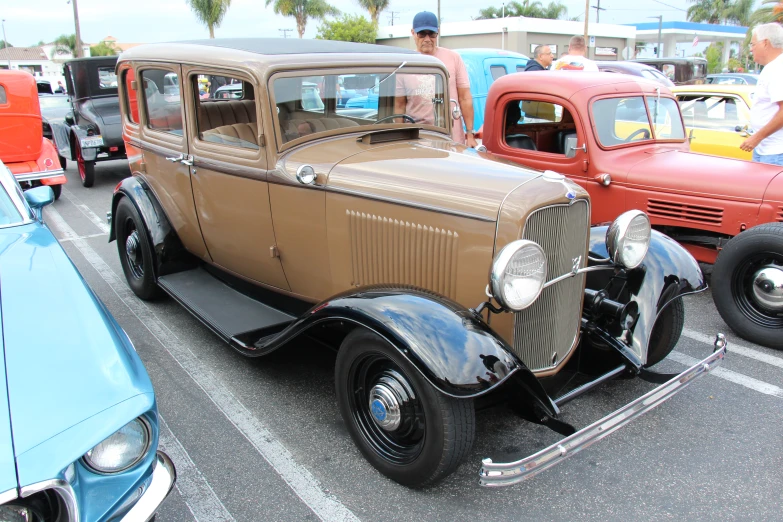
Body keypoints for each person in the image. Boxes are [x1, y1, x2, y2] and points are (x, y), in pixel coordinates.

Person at [395, 11, 477, 148]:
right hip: (416, 140)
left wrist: (470, 134)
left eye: (431, 34)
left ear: (438, 33)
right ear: (413, 33)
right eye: (422, 34)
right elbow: (399, 106)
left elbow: (465, 98)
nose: (427, 39)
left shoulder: (453, 58)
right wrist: (398, 138)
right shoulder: (405, 64)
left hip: (451, 139)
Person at [740, 23, 783, 166]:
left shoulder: (777, 69)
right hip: (765, 149)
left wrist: (756, 138)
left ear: (765, 43)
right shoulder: (772, 67)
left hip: (775, 152)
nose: (751, 49)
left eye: (753, 44)